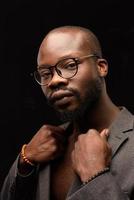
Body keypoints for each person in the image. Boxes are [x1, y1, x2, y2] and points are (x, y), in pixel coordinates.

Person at [1, 25, 134, 200]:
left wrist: (97, 177)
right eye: (45, 73)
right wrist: (25, 162)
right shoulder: (42, 149)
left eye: (70, 65)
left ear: (101, 67)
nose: (54, 81)